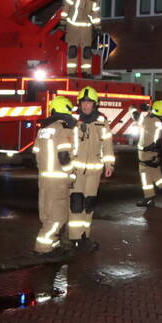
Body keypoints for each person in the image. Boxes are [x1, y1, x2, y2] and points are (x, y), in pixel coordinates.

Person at [68, 86, 114, 251]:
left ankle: (84, 236)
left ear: (95, 104)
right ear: (79, 103)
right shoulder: (71, 119)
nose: (86, 105)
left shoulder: (102, 121)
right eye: (83, 102)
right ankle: (74, 237)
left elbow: (107, 144)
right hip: (75, 170)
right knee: (76, 203)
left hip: (94, 171)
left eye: (89, 102)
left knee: (89, 204)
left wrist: (109, 164)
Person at [32, 96, 77, 255]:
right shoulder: (61, 128)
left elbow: (36, 154)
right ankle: (43, 246)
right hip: (58, 179)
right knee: (58, 215)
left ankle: (54, 242)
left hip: (44, 178)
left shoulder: (43, 129)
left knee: (46, 212)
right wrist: (72, 172)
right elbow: (64, 156)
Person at [134, 100, 162, 207]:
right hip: (155, 153)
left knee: (145, 175)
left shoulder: (148, 120)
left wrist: (135, 110)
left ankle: (149, 198)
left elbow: (138, 120)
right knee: (156, 173)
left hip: (145, 152)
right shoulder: (159, 122)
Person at [60, 0, 101, 76]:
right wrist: (62, 21)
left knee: (87, 51)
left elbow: (95, 15)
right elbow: (66, 6)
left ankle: (86, 72)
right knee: (72, 50)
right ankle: (71, 72)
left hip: (86, 27)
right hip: (73, 26)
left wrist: (98, 27)